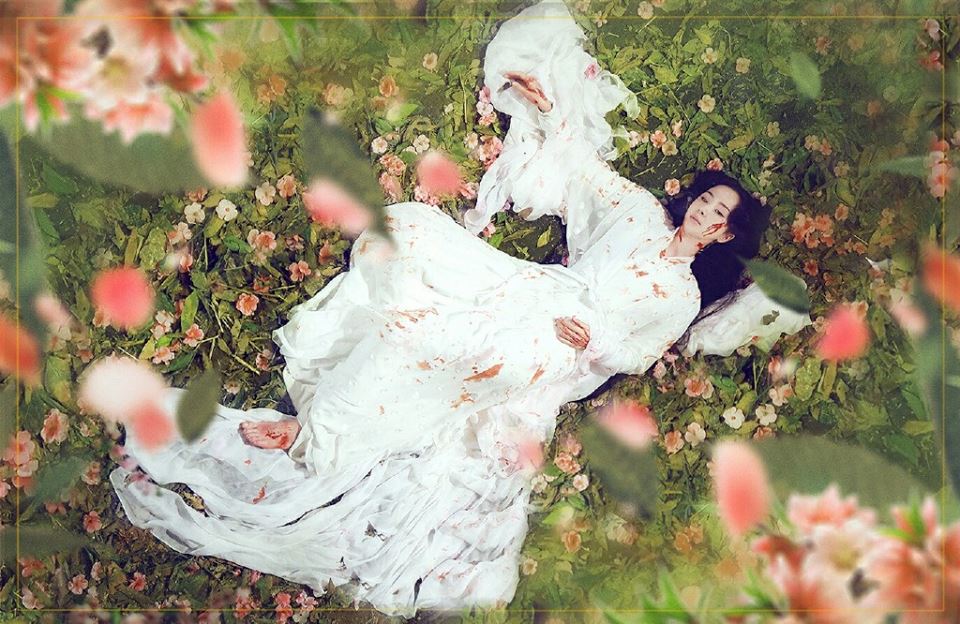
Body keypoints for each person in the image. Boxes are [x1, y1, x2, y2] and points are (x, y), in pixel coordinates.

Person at [110, 0, 773, 618]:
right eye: (707, 201)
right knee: (413, 237)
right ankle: (330, 421)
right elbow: (585, 171)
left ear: (722, 237)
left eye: (719, 216)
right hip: (535, 289)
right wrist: (549, 109)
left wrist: (593, 340)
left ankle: (319, 435)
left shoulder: (681, 296)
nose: (705, 214)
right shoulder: (641, 214)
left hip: (560, 349)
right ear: (695, 201)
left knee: (441, 349)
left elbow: (637, 352)